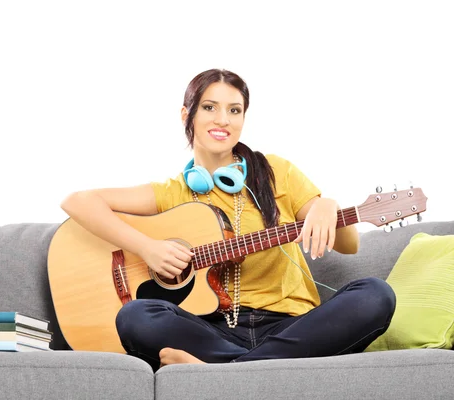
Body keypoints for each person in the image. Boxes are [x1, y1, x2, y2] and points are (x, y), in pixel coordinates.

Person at [60, 68, 396, 370]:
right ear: (186, 115)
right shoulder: (173, 193)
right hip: (211, 330)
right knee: (135, 316)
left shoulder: (276, 172)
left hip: (292, 328)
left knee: (376, 295)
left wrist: (328, 206)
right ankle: (256, 368)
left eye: (234, 110)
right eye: (210, 107)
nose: (223, 120)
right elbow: (78, 201)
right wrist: (147, 248)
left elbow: (349, 245)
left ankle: (223, 371)